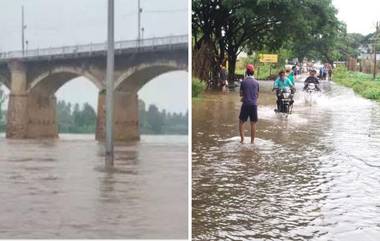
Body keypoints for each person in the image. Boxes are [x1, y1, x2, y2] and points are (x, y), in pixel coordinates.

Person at [239, 64, 259, 144]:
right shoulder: (256, 82)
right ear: (253, 72)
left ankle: (242, 140)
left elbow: (241, 94)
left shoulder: (243, 82)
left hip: (246, 104)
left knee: (241, 122)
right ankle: (252, 141)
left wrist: (244, 97)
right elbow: (257, 95)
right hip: (253, 105)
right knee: (253, 123)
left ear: (246, 72)